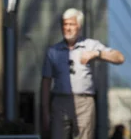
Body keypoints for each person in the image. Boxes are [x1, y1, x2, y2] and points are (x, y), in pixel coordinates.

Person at [41, 8, 125, 139]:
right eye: (65, 24)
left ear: (79, 27)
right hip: (60, 101)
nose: (67, 28)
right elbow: (46, 81)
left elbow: (119, 58)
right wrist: (45, 110)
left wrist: (97, 54)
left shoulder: (90, 45)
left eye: (71, 24)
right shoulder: (53, 51)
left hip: (84, 102)